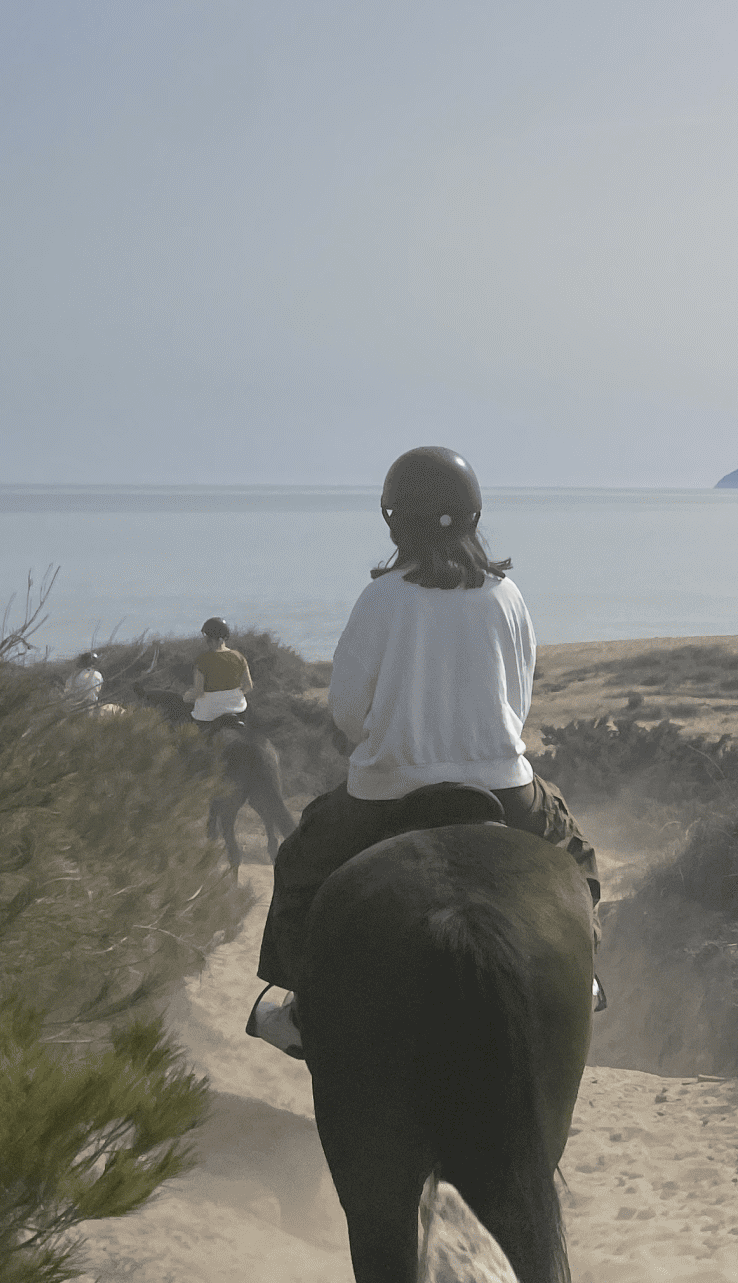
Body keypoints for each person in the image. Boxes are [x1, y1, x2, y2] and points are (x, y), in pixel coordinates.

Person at [247, 445, 601, 1057]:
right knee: (576, 860)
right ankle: (585, 976)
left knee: (302, 862)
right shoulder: (506, 595)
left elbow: (348, 709)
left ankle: (301, 1006)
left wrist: (383, 738)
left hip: (387, 791)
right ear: (473, 514)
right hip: (504, 786)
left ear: (393, 520)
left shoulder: (382, 598)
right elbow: (519, 701)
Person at [188, 618, 254, 729]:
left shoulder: (202, 660)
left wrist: (187, 696)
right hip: (237, 708)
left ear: (208, 638)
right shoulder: (239, 657)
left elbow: (199, 692)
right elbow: (248, 686)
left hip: (209, 713)